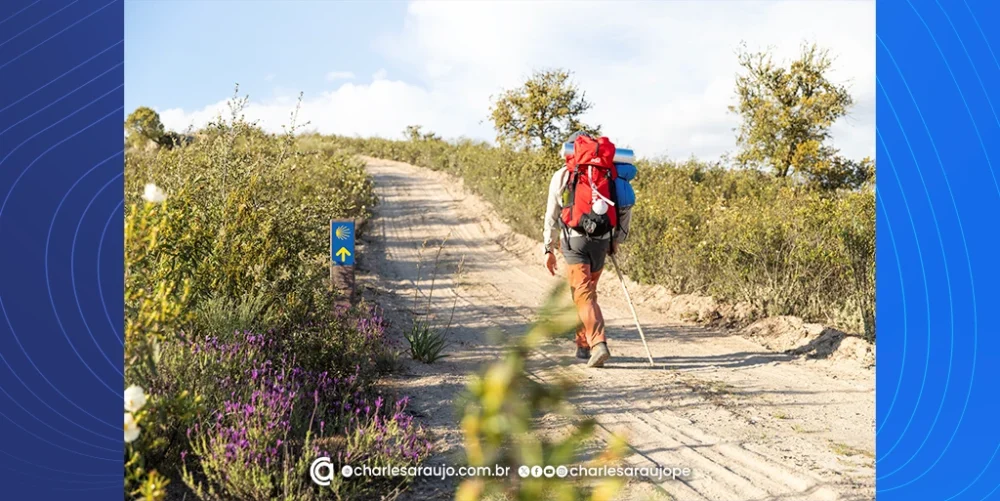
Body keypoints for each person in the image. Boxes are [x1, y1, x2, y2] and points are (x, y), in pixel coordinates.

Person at [542, 164, 617, 368]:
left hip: (574, 241)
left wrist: (548, 248)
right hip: (601, 241)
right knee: (587, 294)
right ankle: (583, 345)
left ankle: (598, 343)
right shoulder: (608, 172)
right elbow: (624, 207)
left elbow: (552, 214)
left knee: (583, 294)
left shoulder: (564, 174)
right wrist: (616, 238)